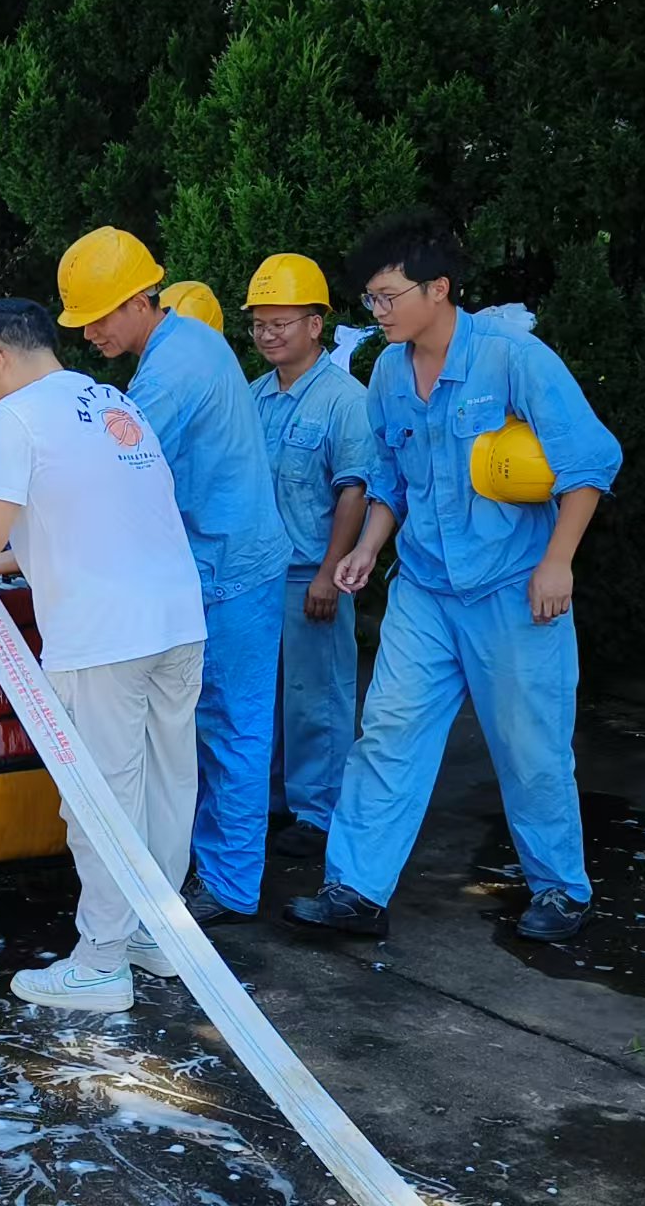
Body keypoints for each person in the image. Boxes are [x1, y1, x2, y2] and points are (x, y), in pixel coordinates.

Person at [284, 209, 622, 943]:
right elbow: (389, 478)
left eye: (387, 296)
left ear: (437, 288)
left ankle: (560, 890)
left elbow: (590, 462)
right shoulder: (387, 374)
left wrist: (557, 562)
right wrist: (367, 548)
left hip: (513, 588)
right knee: (388, 733)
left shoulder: (512, 358)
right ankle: (355, 890)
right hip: (425, 591)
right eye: (370, 299)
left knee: (529, 747)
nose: (377, 312)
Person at [0, 298, 206, 1013]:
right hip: (177, 620)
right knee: (168, 785)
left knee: (100, 796)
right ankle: (157, 937)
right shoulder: (111, 403)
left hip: (103, 636)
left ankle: (101, 962)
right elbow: (89, 522)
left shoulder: (13, 416)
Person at [56, 226, 288, 928]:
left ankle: (229, 885)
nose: (88, 332)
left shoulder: (172, 370)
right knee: (217, 726)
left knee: (233, 728)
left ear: (139, 300)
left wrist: (12, 542)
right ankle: (207, 868)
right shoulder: (180, 346)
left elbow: (111, 472)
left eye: (97, 315)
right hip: (216, 560)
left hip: (232, 568)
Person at [242, 253, 376, 859]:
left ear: (316, 325)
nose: (269, 335)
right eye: (259, 325)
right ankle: (274, 802)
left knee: (315, 696)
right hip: (260, 576)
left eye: (281, 323)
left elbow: (355, 490)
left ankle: (318, 813)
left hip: (310, 576)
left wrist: (329, 573)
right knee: (264, 695)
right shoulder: (255, 397)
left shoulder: (345, 399)